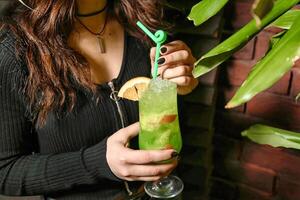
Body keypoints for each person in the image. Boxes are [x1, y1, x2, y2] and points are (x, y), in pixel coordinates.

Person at [0, 0, 198, 199]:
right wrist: (98, 163)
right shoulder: (17, 50)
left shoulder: (149, 21)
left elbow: (170, 129)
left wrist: (183, 86)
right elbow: (4, 171)